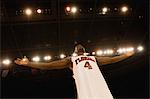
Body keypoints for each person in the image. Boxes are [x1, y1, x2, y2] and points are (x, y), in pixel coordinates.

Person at [14, 44, 134, 99]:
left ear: (85, 50)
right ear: (76, 51)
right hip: (85, 88)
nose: (79, 46)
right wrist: (29, 63)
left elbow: (112, 59)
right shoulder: (71, 60)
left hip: (100, 86)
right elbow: (49, 65)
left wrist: (125, 56)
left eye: (81, 46)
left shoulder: (94, 58)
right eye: (77, 47)